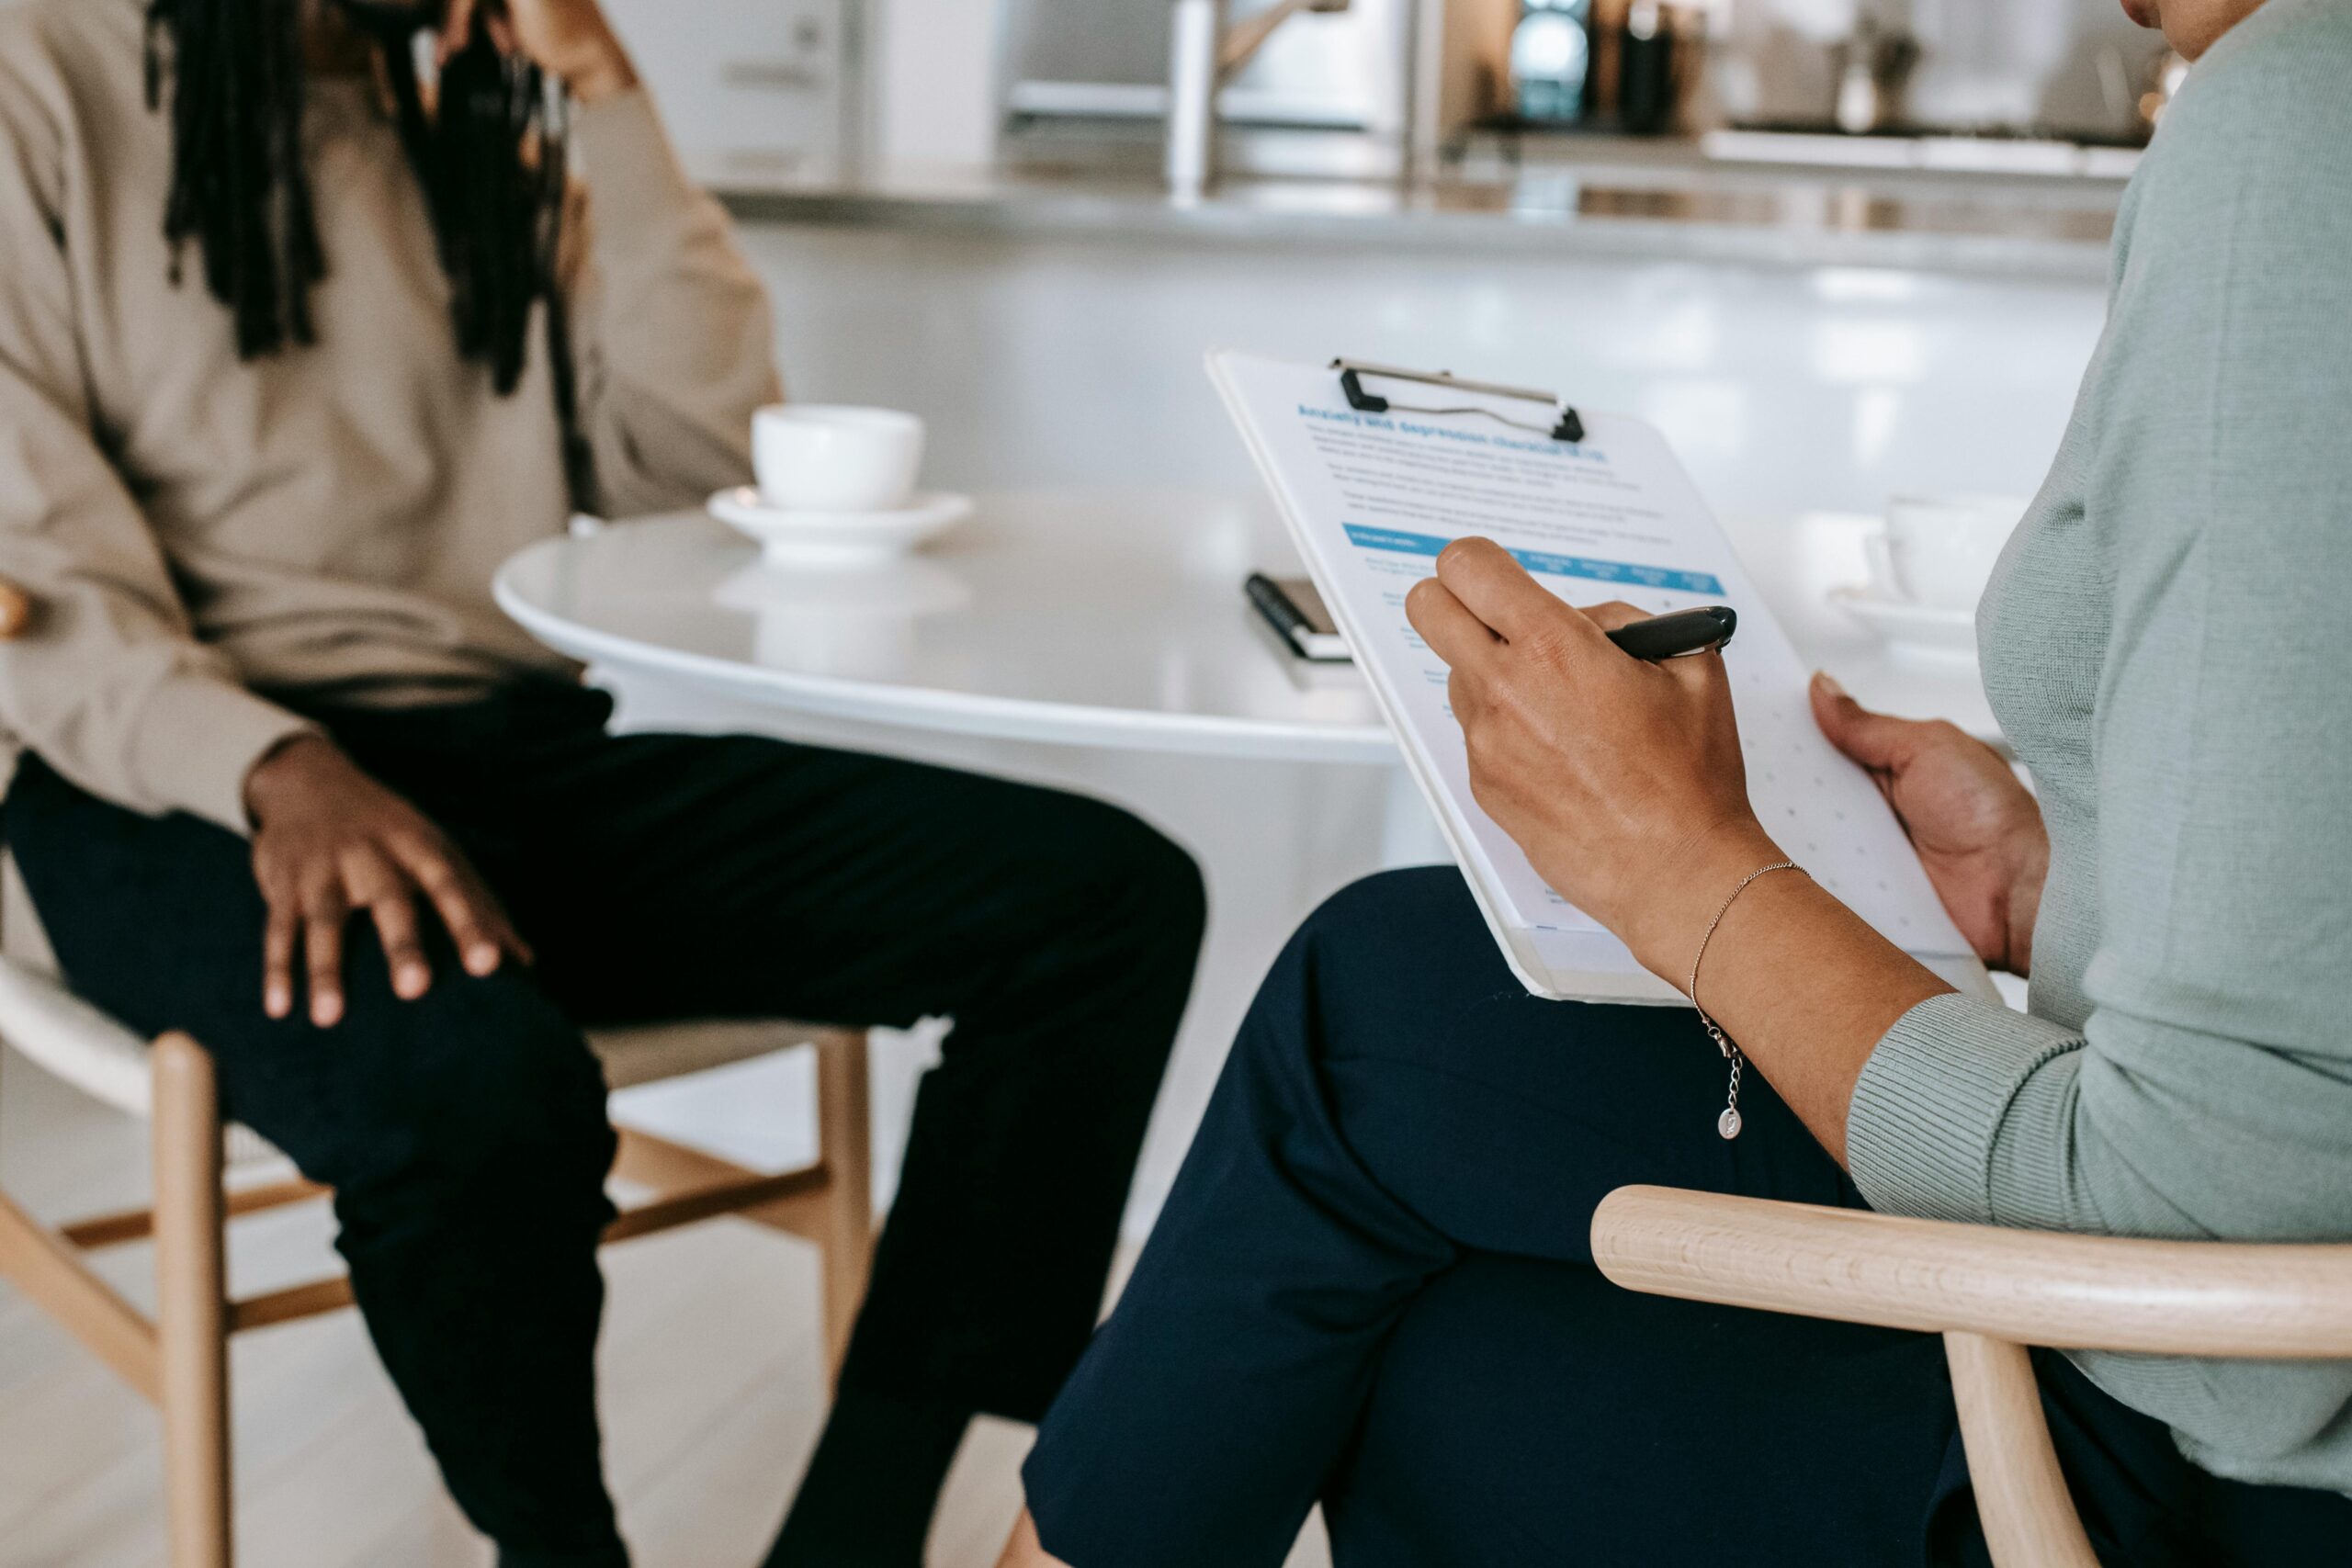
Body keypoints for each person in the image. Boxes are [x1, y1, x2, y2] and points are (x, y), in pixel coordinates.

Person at [996, 0, 2352, 1563]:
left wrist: (1685, 873)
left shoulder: (2301, 105)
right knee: (1409, 1212)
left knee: (1377, 1019)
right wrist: (2053, 888)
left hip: (2221, 1481)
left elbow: (2226, 1274)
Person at [0, 2, 1204, 1564]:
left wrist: (612, 102)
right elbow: (26, 567)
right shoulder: (45, 65)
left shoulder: (477, 122)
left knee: (1101, 904)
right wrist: (268, 763)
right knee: (477, 1092)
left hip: (504, 752)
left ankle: (859, 1532)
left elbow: (692, 467)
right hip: (163, 774)